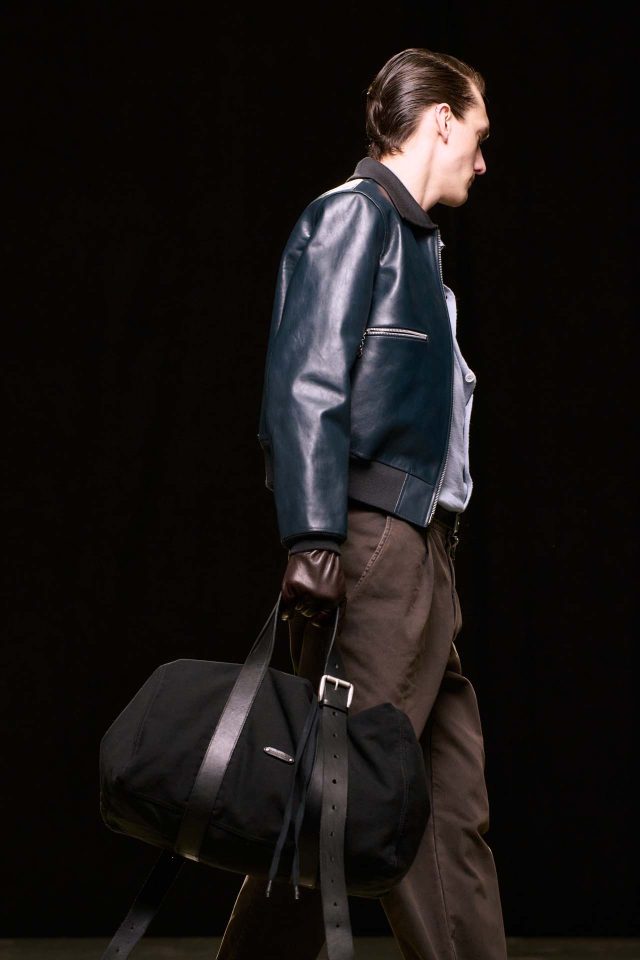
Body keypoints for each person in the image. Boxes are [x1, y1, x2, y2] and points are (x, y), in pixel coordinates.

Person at [216, 47, 508, 960]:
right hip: (377, 548)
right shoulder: (353, 217)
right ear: (442, 120)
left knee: (443, 804)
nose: (483, 162)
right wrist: (312, 538)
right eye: (479, 137)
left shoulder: (417, 246)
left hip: (422, 553)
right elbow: (306, 382)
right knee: (349, 794)